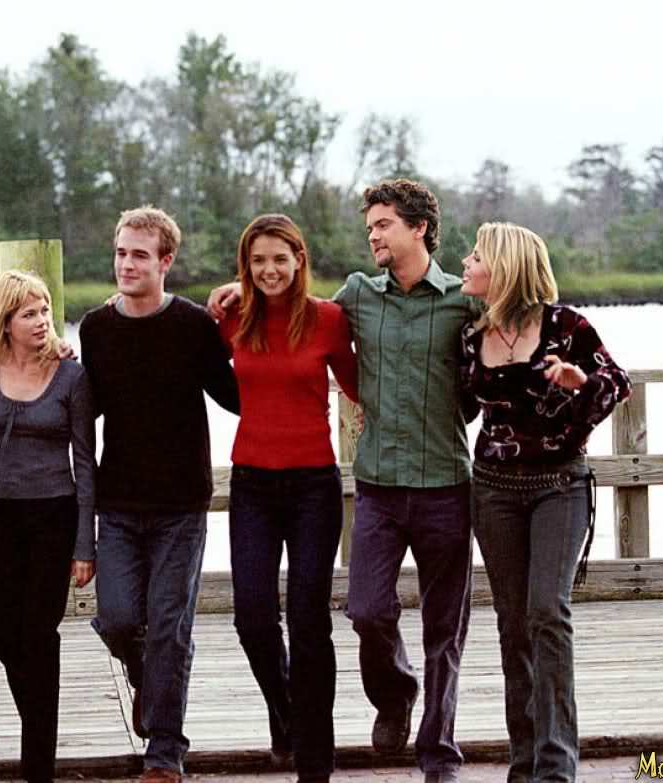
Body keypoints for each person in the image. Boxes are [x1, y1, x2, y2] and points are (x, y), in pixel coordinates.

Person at [210, 180, 479, 783]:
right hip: (360, 484)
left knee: (436, 629)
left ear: (419, 228)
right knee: (358, 611)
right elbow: (268, 318)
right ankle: (379, 697)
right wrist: (231, 289)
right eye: (370, 226)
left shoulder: (461, 302)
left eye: (383, 224)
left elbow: (508, 336)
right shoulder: (353, 296)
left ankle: (431, 755)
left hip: (433, 482)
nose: (373, 235)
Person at [459, 222, 631, 782]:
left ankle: (556, 766)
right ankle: (524, 761)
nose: (466, 263)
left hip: (560, 485)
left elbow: (617, 383)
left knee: (546, 614)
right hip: (494, 489)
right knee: (513, 624)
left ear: (505, 266)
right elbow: (459, 407)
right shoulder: (470, 334)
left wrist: (581, 385)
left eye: (477, 256)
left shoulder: (566, 326)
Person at [80, 205, 240, 783]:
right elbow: (83, 408)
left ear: (165, 261)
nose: (127, 264)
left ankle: (165, 751)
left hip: (181, 504)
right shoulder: (95, 328)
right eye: (121, 252)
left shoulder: (193, 325)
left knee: (169, 627)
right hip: (119, 502)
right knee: (118, 619)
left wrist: (249, 321)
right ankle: (147, 679)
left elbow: (237, 396)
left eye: (140, 255)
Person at [217, 214, 359, 783]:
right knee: (252, 617)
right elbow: (185, 363)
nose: (269, 270)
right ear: (245, 266)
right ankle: (286, 716)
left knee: (307, 621)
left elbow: (362, 387)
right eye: (257, 261)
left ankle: (315, 763)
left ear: (299, 259)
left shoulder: (329, 320)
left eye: (279, 258)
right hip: (251, 484)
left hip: (312, 488)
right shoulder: (232, 318)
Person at [0, 269, 96, 783]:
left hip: (56, 511)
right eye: (28, 314)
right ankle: (38, 722)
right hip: (4, 512)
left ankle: (37, 764)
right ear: (5, 321)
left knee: (38, 633)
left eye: (44, 311)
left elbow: (85, 462)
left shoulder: (70, 376)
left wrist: (85, 544)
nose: (40, 321)